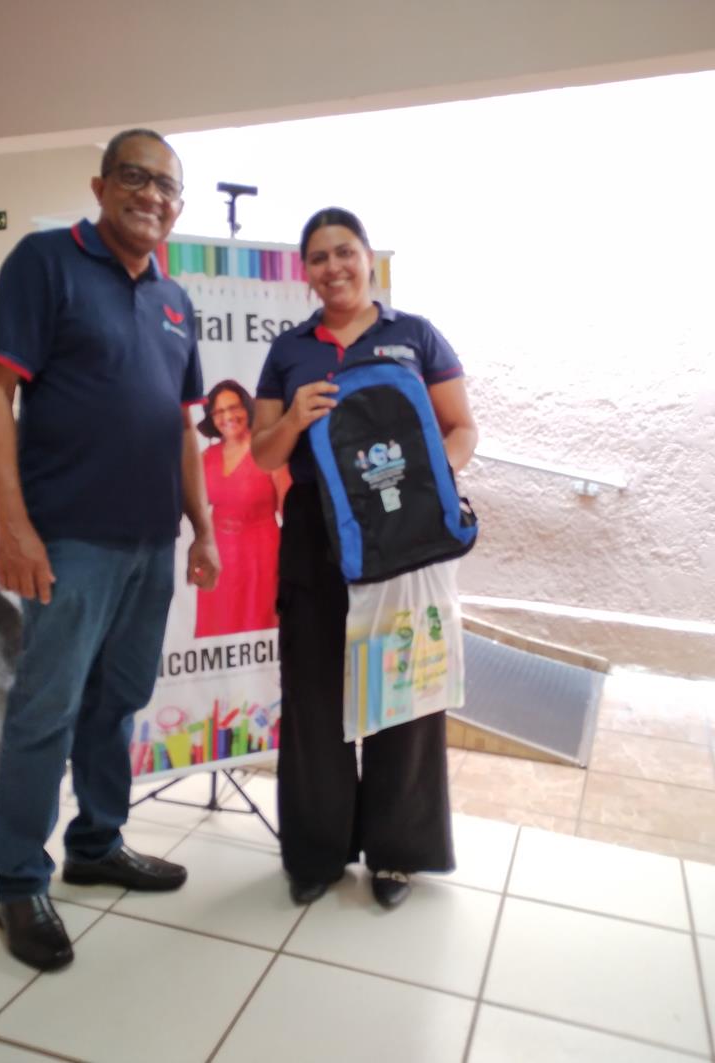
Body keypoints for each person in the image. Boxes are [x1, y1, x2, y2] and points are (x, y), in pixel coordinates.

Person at [0, 128, 220, 971]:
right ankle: (17, 883)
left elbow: (181, 427)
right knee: (46, 708)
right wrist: (12, 524)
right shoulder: (45, 263)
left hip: (151, 541)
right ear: (101, 184)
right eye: (134, 177)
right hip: (68, 540)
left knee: (117, 701)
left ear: (177, 207)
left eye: (166, 186)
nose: (151, 195)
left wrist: (203, 527)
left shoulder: (176, 299)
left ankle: (97, 842)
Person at [251, 207, 477, 909]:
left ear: (368, 258)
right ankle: (317, 854)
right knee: (314, 696)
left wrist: (426, 486)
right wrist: (295, 417)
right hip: (313, 541)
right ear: (305, 272)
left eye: (344, 252)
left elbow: (461, 428)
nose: (333, 267)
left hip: (402, 538)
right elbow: (263, 454)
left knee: (402, 692)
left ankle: (397, 854)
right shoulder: (289, 351)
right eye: (319, 257)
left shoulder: (415, 335)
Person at [194, 379, 289, 638]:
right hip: (217, 559)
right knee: (218, 633)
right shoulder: (206, 458)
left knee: (262, 632)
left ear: (247, 407)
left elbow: (290, 512)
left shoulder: (268, 451)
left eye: (234, 407)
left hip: (262, 558)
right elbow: (191, 508)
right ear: (211, 418)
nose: (228, 417)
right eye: (219, 411)